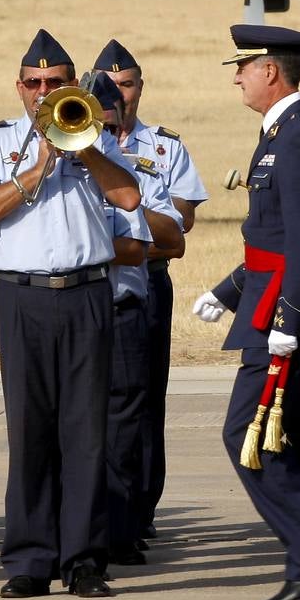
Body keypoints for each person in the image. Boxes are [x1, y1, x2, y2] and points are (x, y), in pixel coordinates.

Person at [0, 29, 141, 599]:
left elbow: (130, 200)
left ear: (73, 83)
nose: (44, 92)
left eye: (55, 82)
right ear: (19, 88)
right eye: (34, 83)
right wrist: (36, 167)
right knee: (30, 428)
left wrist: (83, 148)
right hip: (22, 295)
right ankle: (31, 560)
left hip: (88, 293)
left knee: (86, 431)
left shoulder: (98, 139)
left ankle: (85, 560)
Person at [191, 24, 300, 600]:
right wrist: (230, 288)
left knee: (249, 437)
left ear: (270, 71)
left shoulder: (297, 135)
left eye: (244, 65)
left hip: (294, 316)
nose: (236, 75)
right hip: (279, 302)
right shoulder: (286, 132)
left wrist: (287, 318)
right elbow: (276, 234)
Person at [97, 39, 209, 541]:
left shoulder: (164, 146)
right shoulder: (78, 135)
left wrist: (130, 219)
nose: (118, 93)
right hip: (91, 286)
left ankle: (139, 508)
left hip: (149, 282)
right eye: (110, 84)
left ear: (140, 88)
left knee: (143, 400)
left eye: (127, 84)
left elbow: (178, 223)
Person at [83, 70, 181, 566]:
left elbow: (170, 237)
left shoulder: (135, 166)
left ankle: (123, 527)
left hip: (122, 304)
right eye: (88, 122)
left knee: (126, 424)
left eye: (106, 125)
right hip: (73, 305)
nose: (97, 134)